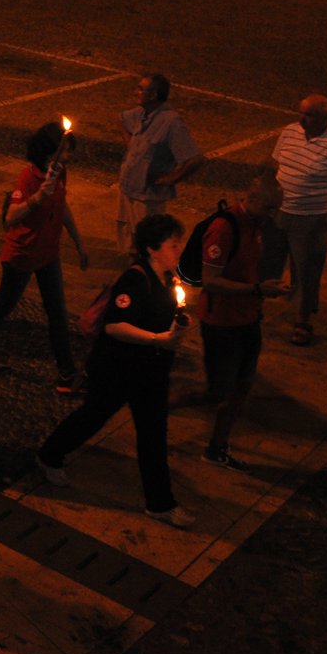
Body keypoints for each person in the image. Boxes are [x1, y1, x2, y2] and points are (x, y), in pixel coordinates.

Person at [36, 215, 196, 528]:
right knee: (93, 415)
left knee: (152, 434)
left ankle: (160, 503)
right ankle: (49, 455)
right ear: (151, 249)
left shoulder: (167, 279)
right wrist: (157, 338)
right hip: (118, 369)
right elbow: (114, 325)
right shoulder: (135, 280)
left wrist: (175, 329)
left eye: (179, 243)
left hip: (149, 372)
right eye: (173, 244)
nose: (179, 250)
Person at [0, 120, 89, 389]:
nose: (68, 156)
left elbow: (63, 207)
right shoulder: (29, 178)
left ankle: (66, 374)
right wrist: (36, 199)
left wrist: (79, 242)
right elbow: (11, 218)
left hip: (48, 254)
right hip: (23, 254)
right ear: (47, 152)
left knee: (57, 313)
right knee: (4, 305)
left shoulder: (60, 172)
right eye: (64, 150)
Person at [200, 169, 290, 469]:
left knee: (241, 387)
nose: (272, 215)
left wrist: (262, 293)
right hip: (221, 322)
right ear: (250, 199)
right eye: (268, 208)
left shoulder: (256, 223)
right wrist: (255, 289)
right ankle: (157, 409)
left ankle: (217, 446)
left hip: (247, 317)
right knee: (215, 392)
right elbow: (209, 280)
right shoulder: (225, 228)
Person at [261, 94, 327, 346]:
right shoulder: (290, 132)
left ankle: (303, 319)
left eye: (308, 115)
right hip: (279, 211)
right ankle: (258, 303)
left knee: (306, 270)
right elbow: (277, 164)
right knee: (268, 259)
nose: (301, 119)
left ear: (326, 118)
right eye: (301, 113)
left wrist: (319, 196)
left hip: (311, 219)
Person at [116, 74, 205, 251]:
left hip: (148, 199)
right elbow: (121, 120)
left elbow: (195, 159)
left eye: (141, 89)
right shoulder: (141, 113)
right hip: (128, 189)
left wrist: (171, 178)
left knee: (148, 245)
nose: (137, 92)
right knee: (128, 240)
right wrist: (132, 146)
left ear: (154, 95)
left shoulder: (171, 123)